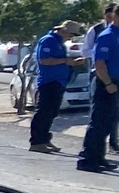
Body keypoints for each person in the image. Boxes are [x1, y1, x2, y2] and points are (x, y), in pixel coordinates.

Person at [28, 20, 83, 154]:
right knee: (43, 112)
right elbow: (44, 60)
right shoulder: (48, 41)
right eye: (71, 34)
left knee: (52, 112)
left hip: (59, 81)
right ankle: (36, 141)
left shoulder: (60, 43)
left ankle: (44, 138)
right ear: (64, 31)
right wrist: (66, 61)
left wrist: (72, 63)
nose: (71, 38)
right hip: (48, 82)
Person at [79, 18, 118, 173]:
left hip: (114, 83)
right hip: (105, 82)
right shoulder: (107, 35)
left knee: (108, 123)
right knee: (99, 122)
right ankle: (87, 159)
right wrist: (108, 83)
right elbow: (99, 63)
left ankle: (99, 158)